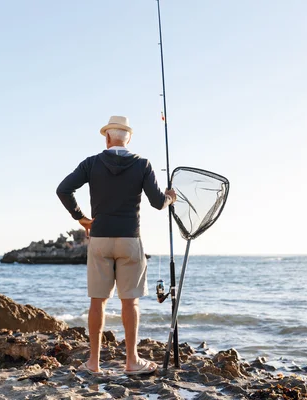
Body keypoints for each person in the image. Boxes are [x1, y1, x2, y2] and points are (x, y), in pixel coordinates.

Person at [56, 115, 176, 375]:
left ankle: (93, 363)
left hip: (99, 238)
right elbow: (157, 203)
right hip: (129, 239)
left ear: (107, 137)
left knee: (97, 302)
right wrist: (170, 198)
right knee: (130, 302)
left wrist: (81, 219)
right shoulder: (142, 164)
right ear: (128, 138)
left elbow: (63, 189)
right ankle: (132, 362)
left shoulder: (91, 163)